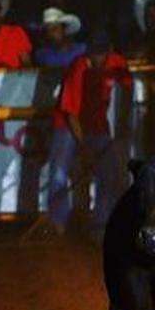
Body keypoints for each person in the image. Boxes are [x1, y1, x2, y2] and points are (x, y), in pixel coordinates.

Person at [46, 36, 132, 236]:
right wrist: (83, 145)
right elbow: (70, 112)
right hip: (69, 124)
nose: (98, 58)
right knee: (59, 172)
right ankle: (58, 223)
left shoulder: (118, 63)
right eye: (94, 53)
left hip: (99, 124)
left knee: (107, 174)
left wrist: (120, 127)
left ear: (109, 50)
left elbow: (126, 94)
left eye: (102, 53)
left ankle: (102, 225)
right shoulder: (79, 68)